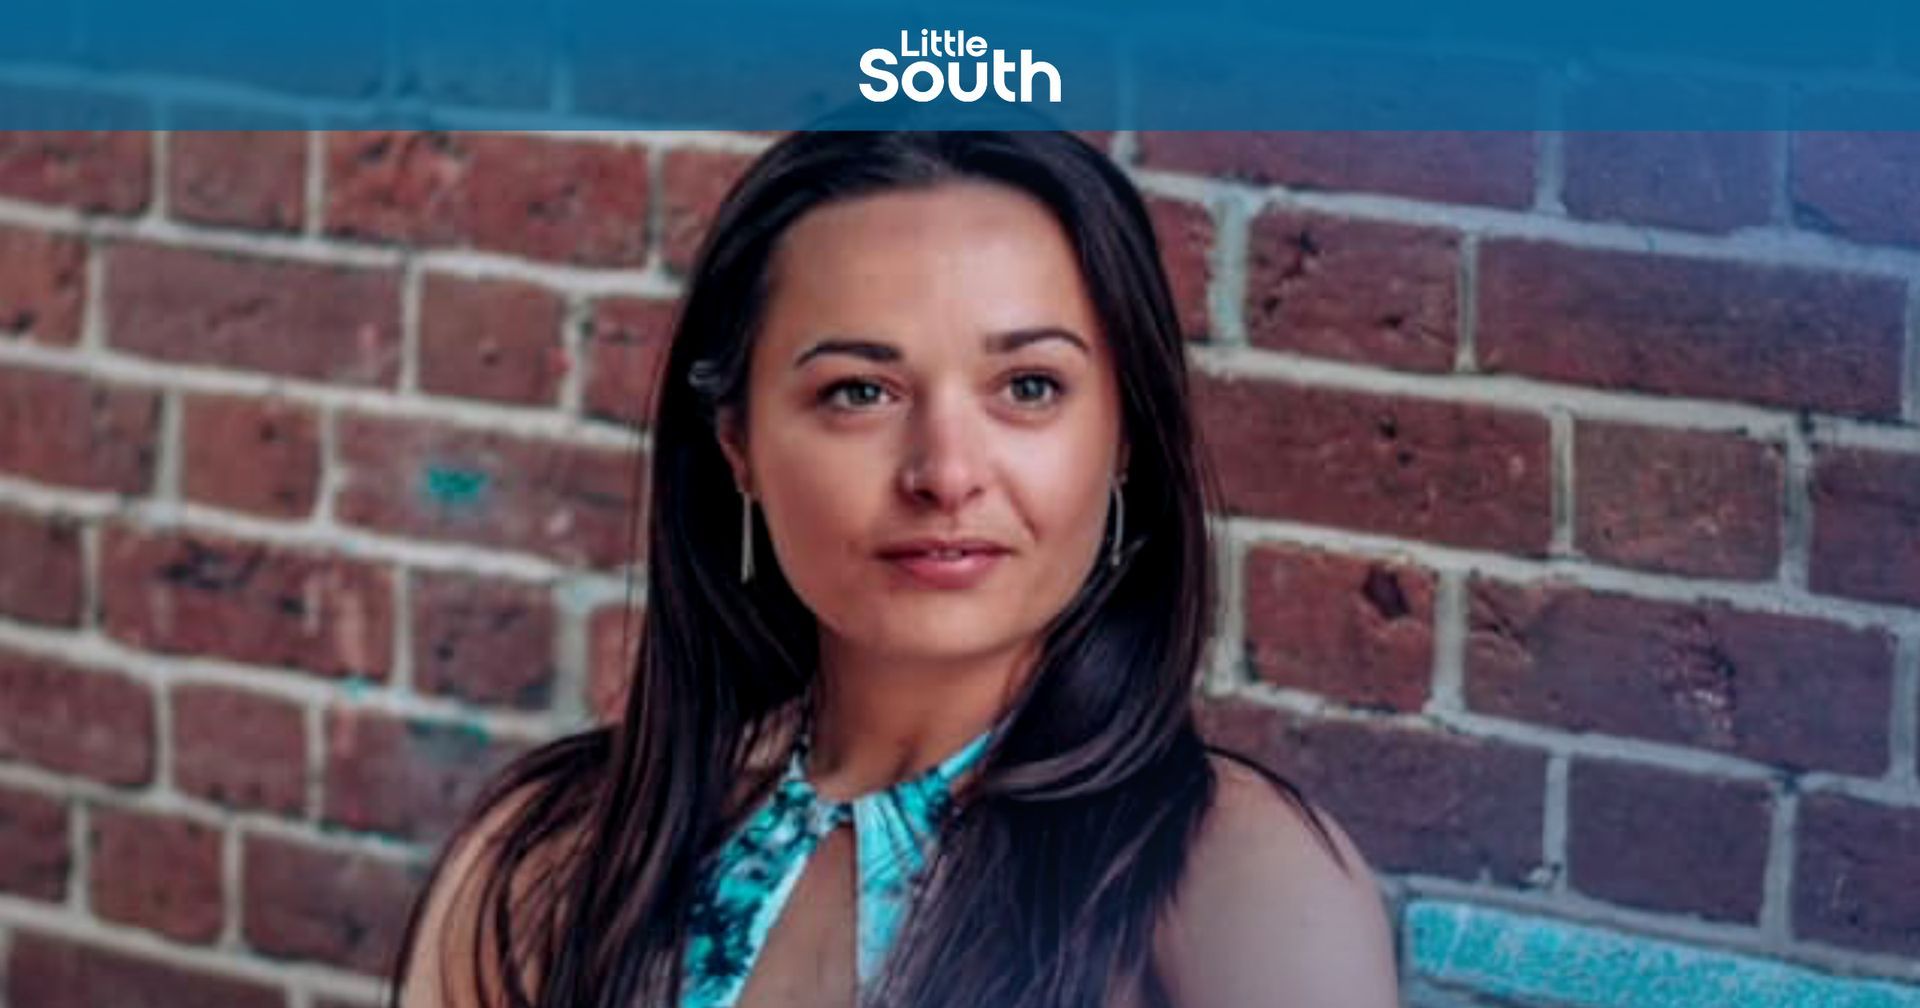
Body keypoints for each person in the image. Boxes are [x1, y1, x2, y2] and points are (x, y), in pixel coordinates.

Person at [388, 130, 1398, 1008]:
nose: (946, 473)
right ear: (737, 441)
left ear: (1125, 434)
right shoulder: (544, 859)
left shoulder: (1236, 885)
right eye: (860, 391)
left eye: (1030, 386)